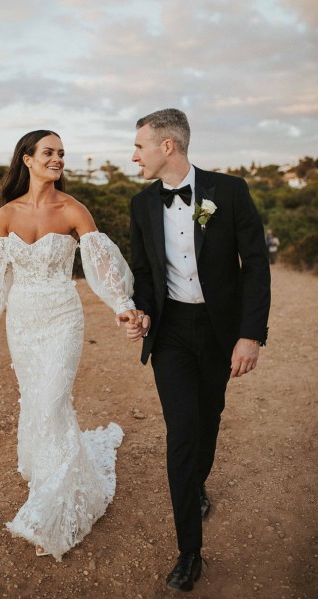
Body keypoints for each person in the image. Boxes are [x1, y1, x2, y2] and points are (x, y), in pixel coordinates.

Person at [0, 129, 142, 561]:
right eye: (49, 152)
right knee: (35, 399)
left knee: (52, 400)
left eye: (61, 153)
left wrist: (122, 304)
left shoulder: (74, 210)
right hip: (23, 320)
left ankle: (54, 501)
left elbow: (101, 264)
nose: (58, 159)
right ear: (27, 159)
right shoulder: (6, 214)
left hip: (62, 317)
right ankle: (45, 469)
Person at [124, 109, 270, 591]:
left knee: (209, 417)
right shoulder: (141, 204)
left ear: (168, 146)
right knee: (182, 431)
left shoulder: (229, 192)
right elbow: (145, 274)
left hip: (218, 329)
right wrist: (141, 312)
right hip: (170, 334)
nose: (134, 155)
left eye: (140, 146)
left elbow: (256, 266)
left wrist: (250, 334)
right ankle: (189, 550)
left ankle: (198, 482)